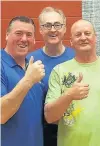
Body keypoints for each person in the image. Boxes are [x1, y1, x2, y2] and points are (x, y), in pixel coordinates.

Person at [27, 7, 75, 146]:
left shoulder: (77, 57)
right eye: (47, 25)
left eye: (57, 25)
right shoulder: (30, 61)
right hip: (41, 133)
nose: (53, 29)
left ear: (65, 28)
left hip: (72, 130)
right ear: (40, 30)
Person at [1, 16, 45, 146]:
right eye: (18, 33)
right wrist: (28, 80)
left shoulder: (34, 69)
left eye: (29, 35)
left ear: (34, 40)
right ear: (7, 35)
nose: (24, 39)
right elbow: (1, 114)